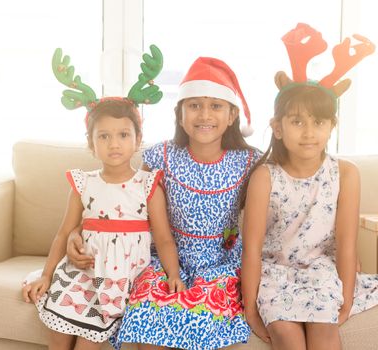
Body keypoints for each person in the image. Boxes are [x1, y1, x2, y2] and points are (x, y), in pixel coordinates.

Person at [67, 56, 262, 349]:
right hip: (162, 259)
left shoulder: (251, 162)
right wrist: (74, 233)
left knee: (205, 326)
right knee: (149, 330)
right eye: (194, 105)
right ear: (180, 114)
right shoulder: (160, 157)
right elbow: (122, 205)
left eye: (216, 106)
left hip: (219, 264)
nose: (204, 115)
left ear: (232, 115)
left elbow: (276, 215)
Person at [22, 46, 184, 350]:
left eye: (123, 135)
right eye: (104, 136)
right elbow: (64, 232)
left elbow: (163, 239)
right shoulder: (83, 183)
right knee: (58, 337)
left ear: (138, 140)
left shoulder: (148, 185)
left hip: (120, 277)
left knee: (87, 343)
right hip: (82, 273)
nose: (114, 144)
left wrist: (173, 274)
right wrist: (46, 274)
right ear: (91, 143)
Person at [240, 23, 378, 350]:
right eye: (297, 121)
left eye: (318, 122)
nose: (308, 132)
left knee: (324, 336)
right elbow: (251, 249)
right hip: (274, 273)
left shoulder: (346, 174)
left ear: (331, 127)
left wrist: (346, 298)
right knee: (287, 337)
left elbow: (347, 245)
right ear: (277, 128)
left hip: (321, 272)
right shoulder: (265, 176)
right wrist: (250, 309)